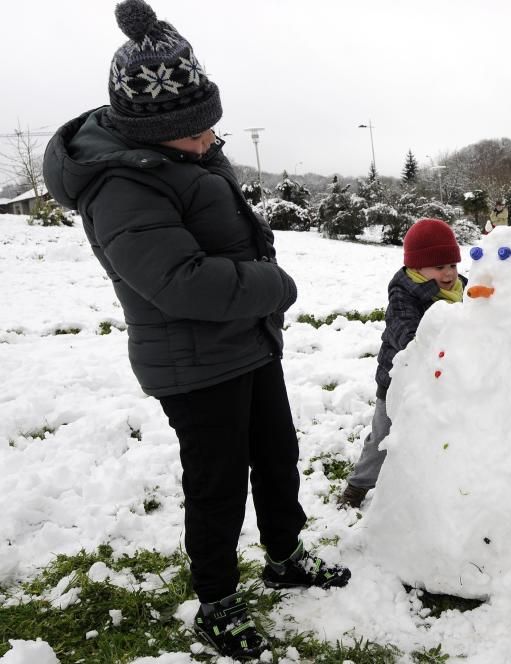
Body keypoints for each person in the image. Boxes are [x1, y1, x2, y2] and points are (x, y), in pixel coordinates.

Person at [42, 1, 348, 658]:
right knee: (216, 482)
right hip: (193, 359)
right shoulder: (120, 184)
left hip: (244, 338)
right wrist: (275, 284)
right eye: (198, 130)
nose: (212, 138)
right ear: (152, 127)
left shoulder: (184, 155)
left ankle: (285, 556)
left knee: (276, 455)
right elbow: (179, 280)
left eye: (212, 125)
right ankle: (216, 602)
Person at [339, 218, 467, 508]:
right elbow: (408, 336)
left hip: (445, 377)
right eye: (440, 267)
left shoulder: (463, 288)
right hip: (398, 381)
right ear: (417, 267)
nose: (449, 274)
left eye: (453, 265)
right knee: (383, 436)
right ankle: (358, 485)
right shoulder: (403, 294)